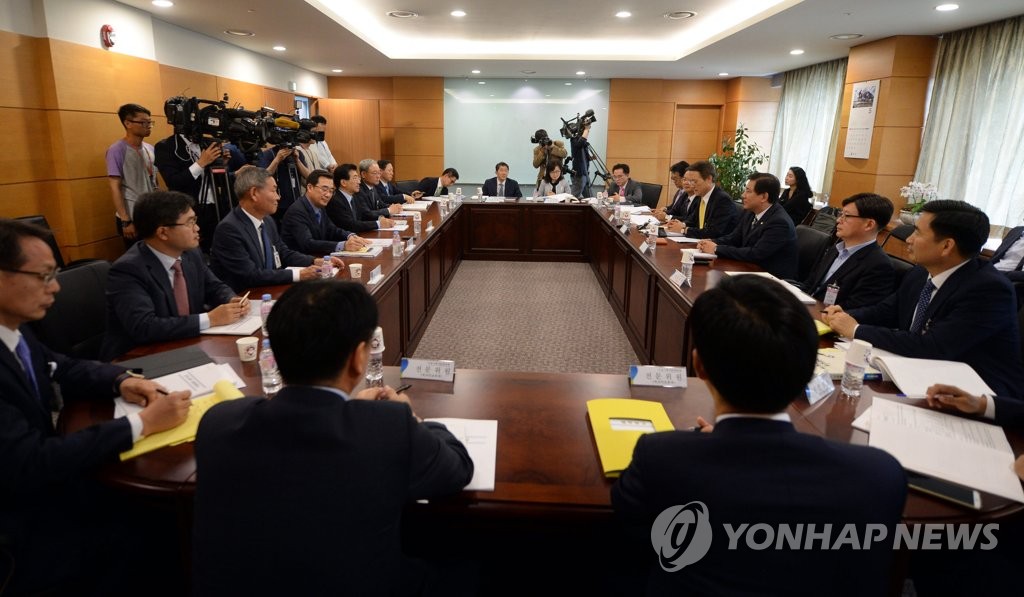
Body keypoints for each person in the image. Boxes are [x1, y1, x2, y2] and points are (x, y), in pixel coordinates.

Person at [612, 275, 906, 596]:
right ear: (808, 370)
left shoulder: (660, 457)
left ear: (699, 366)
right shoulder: (880, 474)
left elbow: (629, 525)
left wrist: (710, 445)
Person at [193, 280, 474, 595]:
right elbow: (457, 468)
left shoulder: (218, 422)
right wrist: (410, 416)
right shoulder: (390, 426)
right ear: (359, 358)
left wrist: (354, 411)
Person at [0, 218, 192, 594]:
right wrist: (143, 424)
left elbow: (59, 365)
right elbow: (31, 461)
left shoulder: (14, 329)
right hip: (23, 526)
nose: (55, 287)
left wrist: (122, 380)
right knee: (160, 533)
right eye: (43, 276)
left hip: (51, 482)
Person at [822, 200, 1024, 397]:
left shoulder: (988, 290)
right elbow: (887, 311)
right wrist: (844, 315)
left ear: (946, 246)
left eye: (917, 232)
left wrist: (856, 329)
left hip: (976, 394)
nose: (908, 239)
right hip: (920, 374)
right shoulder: (920, 273)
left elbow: (933, 347)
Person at [102, 190, 247, 360]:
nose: (197, 228)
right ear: (163, 233)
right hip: (139, 358)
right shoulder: (127, 270)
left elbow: (214, 287)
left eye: (195, 220)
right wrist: (210, 319)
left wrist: (231, 300)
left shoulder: (190, 254)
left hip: (187, 345)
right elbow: (144, 327)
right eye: (189, 222)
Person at [210, 166, 339, 292]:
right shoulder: (229, 229)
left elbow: (283, 252)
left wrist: (315, 261)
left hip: (270, 289)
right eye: (273, 191)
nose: (278, 197)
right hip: (245, 297)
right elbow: (250, 275)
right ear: (254, 193)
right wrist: (299, 274)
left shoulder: (267, 221)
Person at [800, 193, 895, 309]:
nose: (838, 220)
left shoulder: (878, 265)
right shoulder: (836, 249)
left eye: (846, 216)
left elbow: (854, 309)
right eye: (841, 214)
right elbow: (811, 283)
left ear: (869, 224)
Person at [697, 172, 798, 279]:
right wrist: (712, 242)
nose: (743, 195)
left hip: (772, 279)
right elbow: (734, 238)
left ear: (764, 197)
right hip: (750, 270)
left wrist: (716, 249)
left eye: (748, 191)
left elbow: (756, 254)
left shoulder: (779, 222)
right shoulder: (751, 212)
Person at [154, 134, 243, 252]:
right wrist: (201, 163)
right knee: (195, 252)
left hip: (216, 207)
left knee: (221, 247)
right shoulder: (166, 146)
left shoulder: (206, 143)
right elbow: (173, 181)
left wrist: (222, 165)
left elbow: (217, 182)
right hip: (189, 210)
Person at [282, 169, 369, 256]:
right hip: (303, 261)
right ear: (310, 187)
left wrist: (350, 236)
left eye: (331, 191)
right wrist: (342, 246)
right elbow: (308, 243)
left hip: (320, 257)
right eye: (324, 189)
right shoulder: (297, 211)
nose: (328, 195)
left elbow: (331, 229)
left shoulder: (320, 206)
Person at [106, 103, 158, 245]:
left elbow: (154, 181)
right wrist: (125, 221)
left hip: (151, 213)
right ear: (127, 123)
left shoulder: (150, 148)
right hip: (131, 216)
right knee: (137, 255)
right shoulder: (116, 150)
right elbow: (114, 187)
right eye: (143, 122)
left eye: (150, 122)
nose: (148, 126)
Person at [675, 161, 739, 238]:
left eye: (694, 181)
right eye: (690, 181)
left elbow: (714, 232)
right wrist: (681, 224)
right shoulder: (701, 196)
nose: (692, 185)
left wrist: (684, 229)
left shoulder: (722, 200)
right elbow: (693, 220)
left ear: (709, 179)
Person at [327, 163, 396, 234]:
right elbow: (351, 225)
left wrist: (380, 219)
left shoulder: (354, 197)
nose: (359, 182)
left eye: (358, 178)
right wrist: (378, 224)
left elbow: (364, 215)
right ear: (343, 183)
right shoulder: (335, 201)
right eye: (355, 178)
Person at [257, 143, 306, 224]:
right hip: (276, 204)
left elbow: (308, 176)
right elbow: (262, 177)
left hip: (295, 202)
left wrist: (297, 161)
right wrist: (277, 159)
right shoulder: (269, 154)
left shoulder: (298, 153)